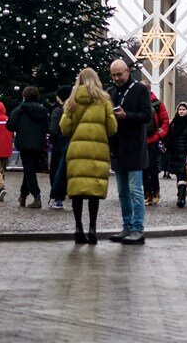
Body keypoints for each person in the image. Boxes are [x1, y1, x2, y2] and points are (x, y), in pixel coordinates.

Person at [60, 68, 117, 245]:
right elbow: (112, 128)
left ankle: (78, 228)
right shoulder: (104, 100)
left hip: (77, 150)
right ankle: (93, 228)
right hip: (97, 151)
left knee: (77, 191)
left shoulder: (72, 100)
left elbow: (65, 127)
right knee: (94, 191)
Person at [106, 59, 153, 245]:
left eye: (119, 74)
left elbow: (147, 116)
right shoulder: (110, 92)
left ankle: (137, 228)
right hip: (117, 148)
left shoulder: (140, 90)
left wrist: (127, 116)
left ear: (127, 71)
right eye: (113, 75)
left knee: (135, 190)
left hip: (134, 147)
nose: (116, 78)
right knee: (122, 191)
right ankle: (126, 226)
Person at [7, 86, 50, 209]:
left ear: (24, 96)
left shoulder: (19, 110)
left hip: (24, 144)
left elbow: (10, 125)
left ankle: (37, 196)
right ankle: (23, 195)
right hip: (38, 145)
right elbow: (48, 126)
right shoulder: (42, 110)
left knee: (29, 170)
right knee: (29, 170)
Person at [166, 102, 187, 207]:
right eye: (180, 109)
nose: (181, 111)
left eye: (183, 109)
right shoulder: (174, 123)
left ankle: (181, 198)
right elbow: (169, 136)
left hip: (186, 154)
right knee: (178, 175)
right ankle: (181, 193)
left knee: (182, 175)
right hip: (174, 153)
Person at [142, 86, 170, 206]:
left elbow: (165, 120)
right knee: (143, 169)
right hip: (141, 140)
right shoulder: (138, 102)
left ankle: (155, 191)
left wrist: (160, 134)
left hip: (153, 140)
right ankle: (147, 193)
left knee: (152, 167)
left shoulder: (158, 104)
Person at [48, 85, 73, 210]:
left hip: (59, 145)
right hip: (72, 144)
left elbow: (53, 129)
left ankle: (58, 198)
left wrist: (52, 141)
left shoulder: (58, 111)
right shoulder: (74, 109)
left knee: (56, 172)